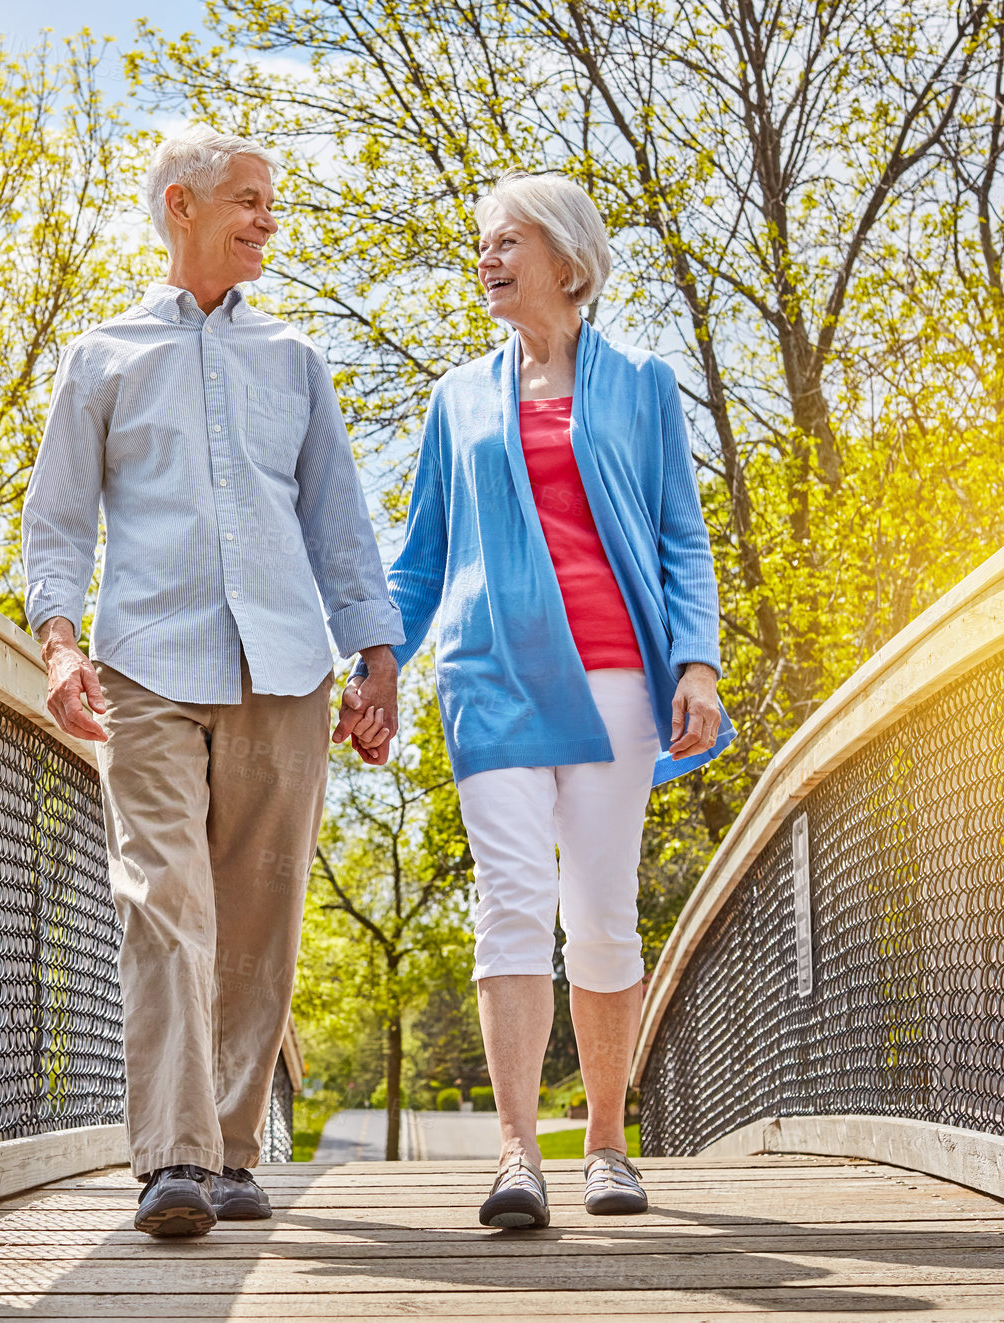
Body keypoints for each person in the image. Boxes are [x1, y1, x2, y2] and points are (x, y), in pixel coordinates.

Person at [22, 124, 403, 1238]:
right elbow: (57, 522)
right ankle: (174, 1157)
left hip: (282, 668)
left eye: (270, 202)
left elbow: (340, 524)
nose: (266, 220)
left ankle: (234, 1154)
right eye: (245, 200)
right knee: (162, 902)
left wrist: (374, 658)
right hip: (146, 664)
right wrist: (57, 641)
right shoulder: (101, 356)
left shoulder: (293, 360)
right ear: (179, 205)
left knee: (257, 919)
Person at [338, 171, 734, 1227]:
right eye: (481, 243)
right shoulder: (456, 397)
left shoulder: (642, 382)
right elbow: (419, 559)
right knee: (509, 899)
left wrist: (694, 659)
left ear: (566, 259)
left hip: (613, 677)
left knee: (599, 913)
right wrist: (377, 662)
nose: (486, 258)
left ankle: (606, 1145)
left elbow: (679, 539)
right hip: (490, 675)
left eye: (506, 240)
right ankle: (518, 1156)